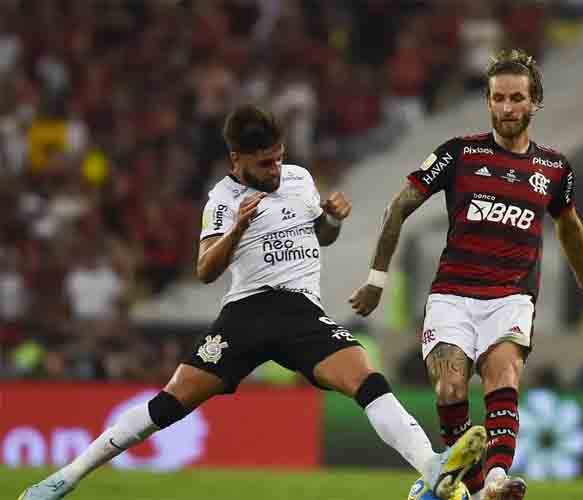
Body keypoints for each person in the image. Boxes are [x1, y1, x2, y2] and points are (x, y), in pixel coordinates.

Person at [19, 105, 485, 500]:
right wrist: (238, 230)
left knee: (367, 379)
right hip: (246, 314)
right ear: (236, 159)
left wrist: (332, 220)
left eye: (279, 158)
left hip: (301, 311)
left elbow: (319, 237)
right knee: (168, 405)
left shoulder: (300, 180)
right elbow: (205, 270)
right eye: (264, 164)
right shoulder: (222, 200)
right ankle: (65, 478)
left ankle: (433, 471)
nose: (275, 170)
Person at [349, 49, 583, 500]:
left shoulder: (553, 168)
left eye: (517, 98)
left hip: (511, 297)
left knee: (504, 374)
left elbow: (569, 227)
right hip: (452, 296)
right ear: (488, 101)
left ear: (535, 103)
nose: (508, 108)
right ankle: (474, 489)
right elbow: (399, 206)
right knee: (450, 385)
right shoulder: (458, 153)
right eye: (499, 98)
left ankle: (495, 478)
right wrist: (377, 279)